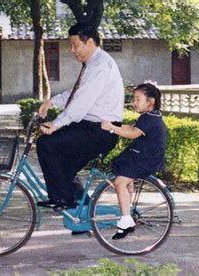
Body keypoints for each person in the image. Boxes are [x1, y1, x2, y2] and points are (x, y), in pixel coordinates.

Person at [36, 22, 125, 210]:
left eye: (75, 45)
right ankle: (81, 211)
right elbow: (77, 93)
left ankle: (64, 199)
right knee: (62, 165)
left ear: (90, 42)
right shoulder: (93, 63)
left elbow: (82, 102)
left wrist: (57, 124)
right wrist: (52, 101)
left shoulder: (101, 65)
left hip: (101, 130)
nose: (72, 50)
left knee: (47, 144)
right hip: (91, 126)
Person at [101, 83, 167, 240]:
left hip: (145, 158)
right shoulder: (151, 116)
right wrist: (115, 125)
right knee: (126, 180)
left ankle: (125, 220)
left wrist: (112, 128)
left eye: (138, 99)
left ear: (150, 102)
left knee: (119, 183)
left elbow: (132, 133)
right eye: (133, 99)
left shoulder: (150, 118)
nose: (134, 102)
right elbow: (131, 128)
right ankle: (127, 213)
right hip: (141, 154)